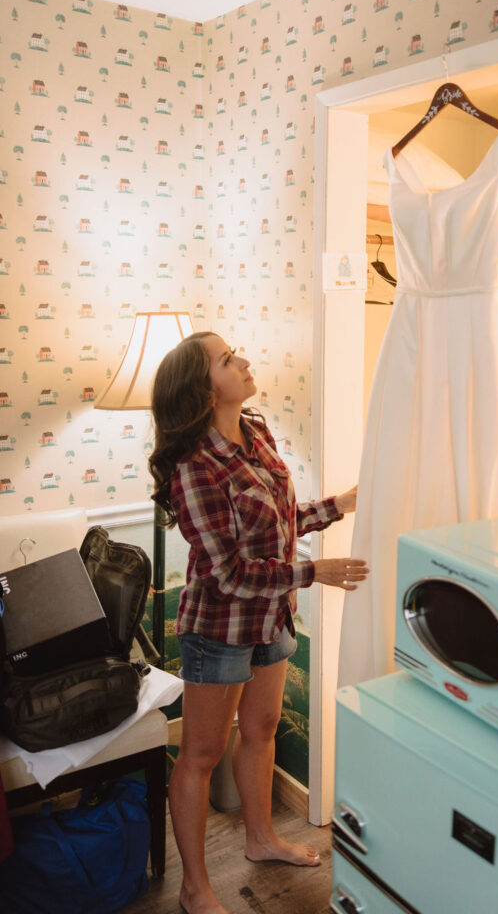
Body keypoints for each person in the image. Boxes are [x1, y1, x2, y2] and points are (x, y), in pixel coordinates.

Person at [149, 331, 367, 914]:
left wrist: (340, 505)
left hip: (271, 617)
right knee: (199, 755)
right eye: (227, 360)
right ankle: (196, 888)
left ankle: (260, 837)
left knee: (262, 728)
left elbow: (282, 522)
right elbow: (230, 574)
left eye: (236, 351)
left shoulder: (257, 430)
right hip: (218, 627)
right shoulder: (194, 467)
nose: (244, 361)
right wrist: (312, 573)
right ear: (202, 389)